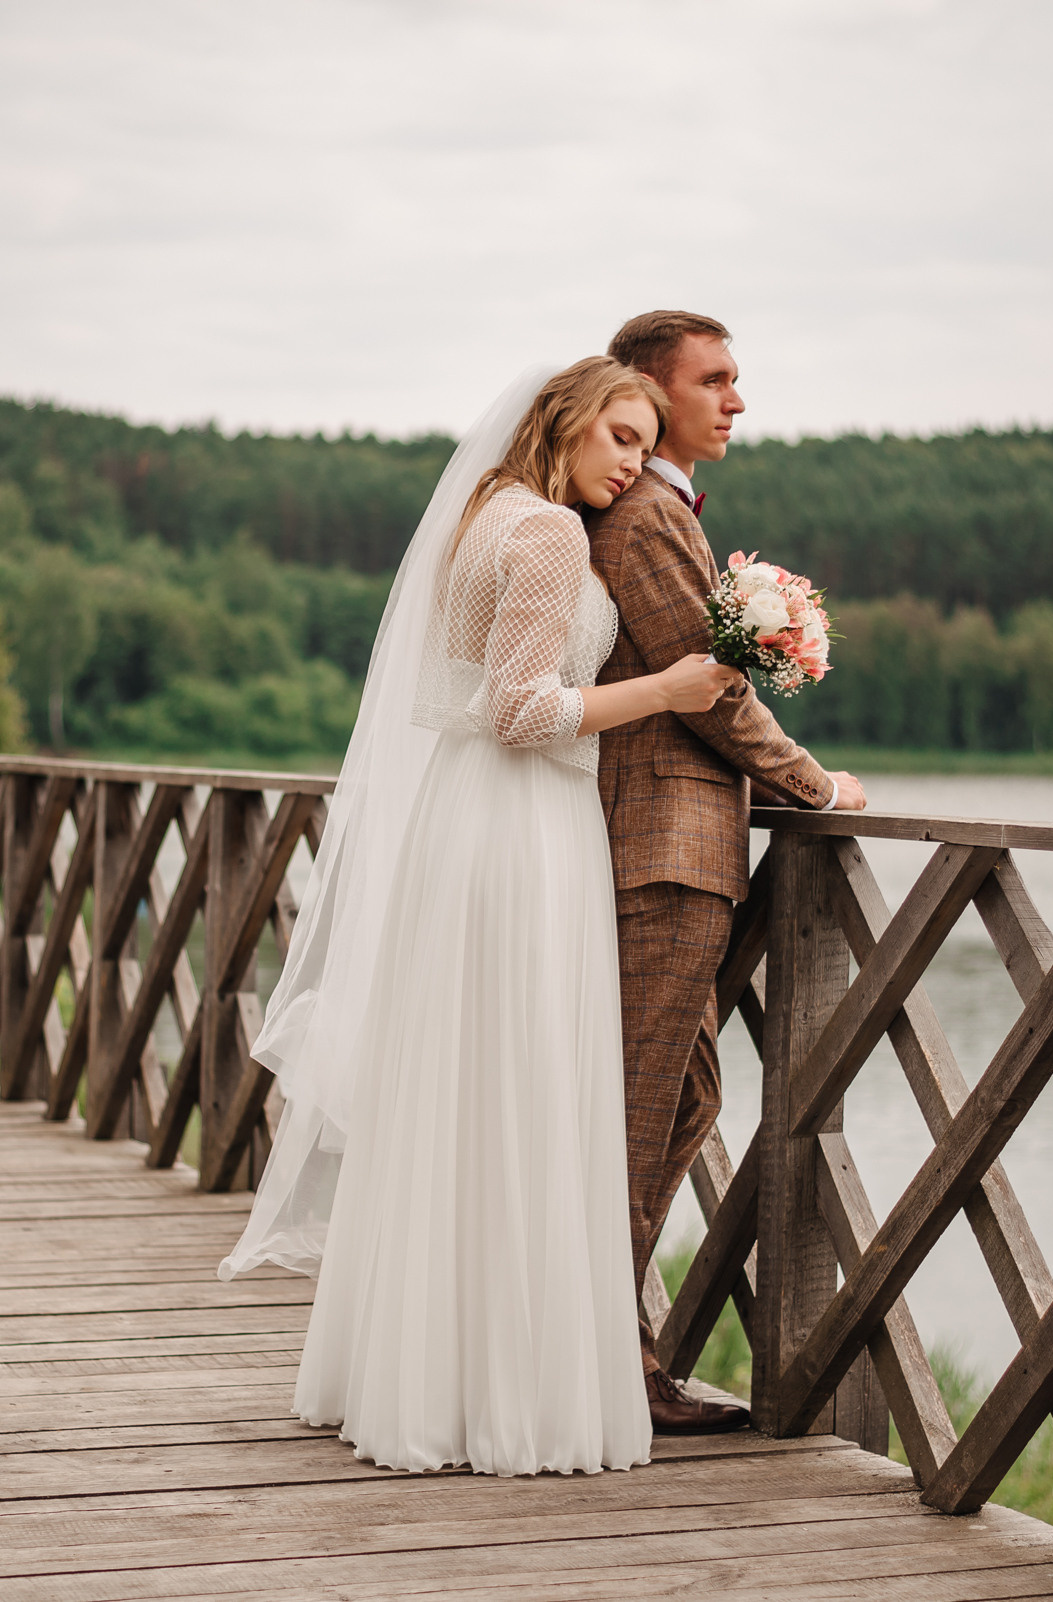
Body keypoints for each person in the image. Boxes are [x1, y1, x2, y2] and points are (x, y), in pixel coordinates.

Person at [218, 357, 738, 1476]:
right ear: (566, 419)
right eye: (621, 438)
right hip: (522, 823)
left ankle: (417, 1375)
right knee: (520, 1086)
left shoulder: (482, 514)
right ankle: (505, 1392)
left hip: (466, 823)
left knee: (461, 1090)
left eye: (646, 446)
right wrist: (668, 690)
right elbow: (517, 710)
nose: (634, 466)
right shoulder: (545, 531)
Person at [588, 310, 867, 1434]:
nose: (737, 400)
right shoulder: (648, 516)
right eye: (715, 380)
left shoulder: (656, 510)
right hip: (661, 851)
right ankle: (603, 1361)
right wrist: (813, 785)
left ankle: (610, 1343)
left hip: (677, 853)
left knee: (682, 1098)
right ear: (652, 393)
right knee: (640, 1108)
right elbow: (704, 690)